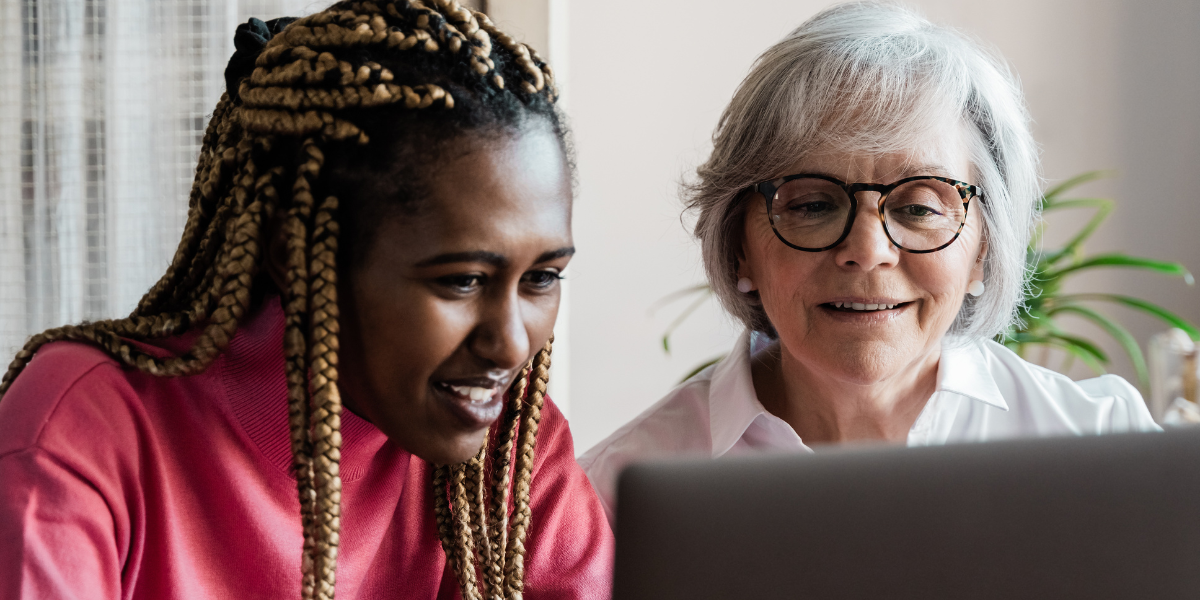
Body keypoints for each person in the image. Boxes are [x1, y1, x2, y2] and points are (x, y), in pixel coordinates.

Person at [0, 2, 612, 598]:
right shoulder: (84, 430)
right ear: (292, 254)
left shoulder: (507, 456)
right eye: (462, 280)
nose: (508, 344)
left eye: (542, 277)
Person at [579, 1, 1160, 526]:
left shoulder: (1107, 446)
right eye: (810, 204)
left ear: (984, 248)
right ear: (739, 247)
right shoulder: (609, 502)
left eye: (918, 206)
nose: (868, 249)